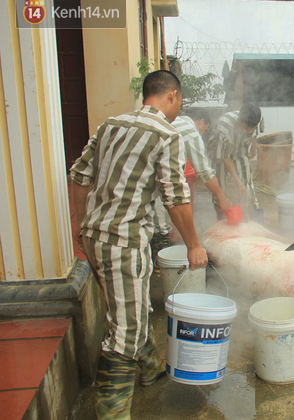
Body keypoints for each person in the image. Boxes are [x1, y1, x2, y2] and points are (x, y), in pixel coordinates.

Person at [69, 70, 208, 419]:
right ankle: (113, 414)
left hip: (94, 236)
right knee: (124, 330)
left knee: (128, 308)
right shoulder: (167, 134)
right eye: (179, 102)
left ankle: (148, 366)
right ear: (172, 95)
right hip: (123, 242)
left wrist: (78, 224)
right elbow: (176, 199)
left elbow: (79, 175)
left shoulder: (111, 124)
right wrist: (194, 244)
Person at [151, 109, 231, 256]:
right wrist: (222, 197)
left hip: (144, 188)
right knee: (160, 225)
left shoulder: (174, 121)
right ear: (200, 121)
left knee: (154, 222)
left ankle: (158, 260)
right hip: (157, 186)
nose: (201, 134)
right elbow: (205, 171)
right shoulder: (189, 131)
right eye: (204, 130)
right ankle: (161, 266)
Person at [205, 105, 262, 215]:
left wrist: (254, 146)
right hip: (220, 156)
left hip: (240, 152)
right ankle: (223, 218)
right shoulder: (224, 128)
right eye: (245, 128)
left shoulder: (256, 118)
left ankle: (246, 217)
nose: (248, 131)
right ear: (239, 121)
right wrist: (238, 182)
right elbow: (225, 157)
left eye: (252, 128)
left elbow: (257, 131)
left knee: (247, 189)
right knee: (223, 190)